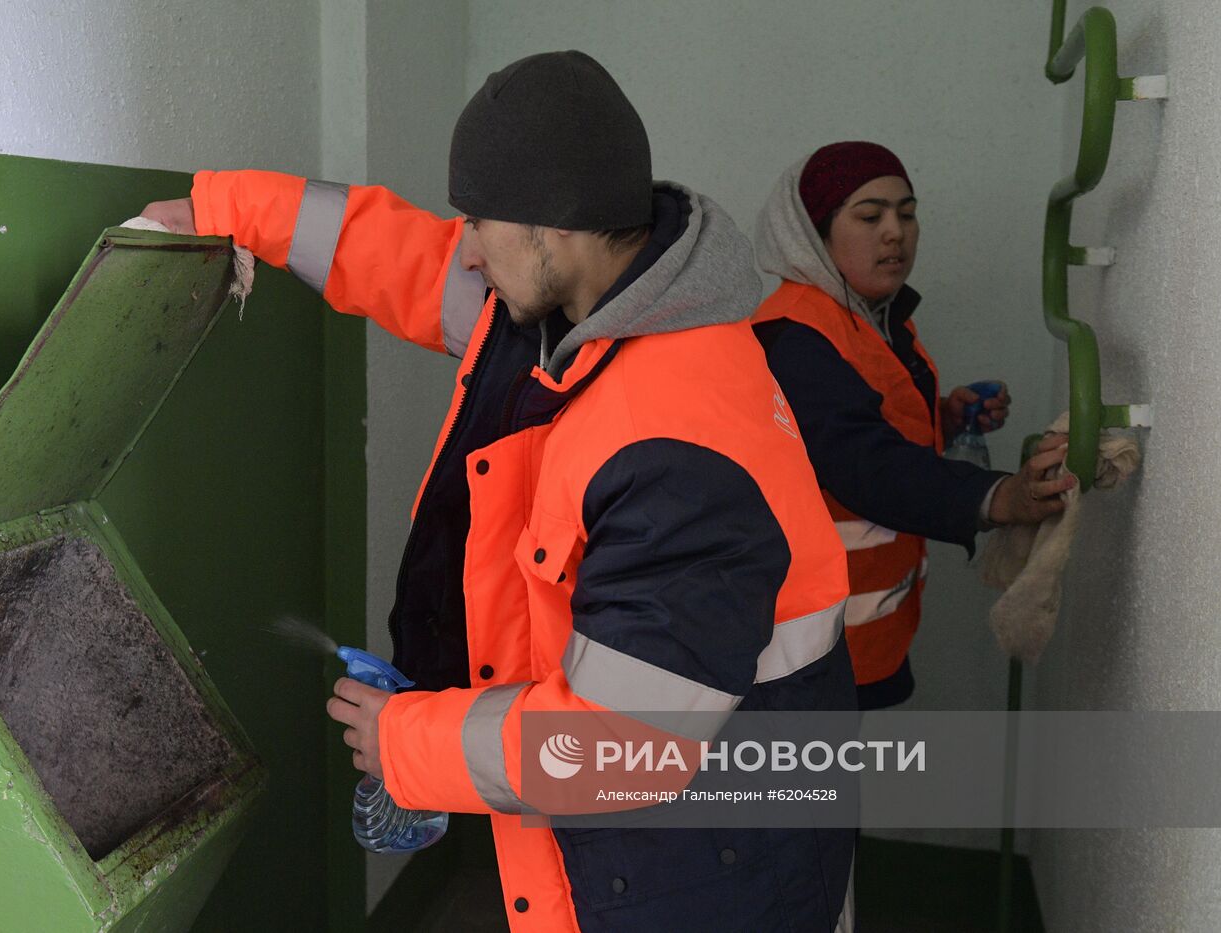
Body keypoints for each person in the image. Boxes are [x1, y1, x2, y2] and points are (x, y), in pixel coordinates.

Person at [146, 51, 855, 931]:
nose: (467, 246)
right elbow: (394, 254)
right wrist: (224, 210)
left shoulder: (679, 444)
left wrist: (407, 743)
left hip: (706, 866)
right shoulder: (575, 298)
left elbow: (619, 746)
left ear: (551, 227)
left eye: (478, 221)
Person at [751, 141, 1073, 710]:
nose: (895, 232)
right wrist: (1000, 496)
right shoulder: (795, 339)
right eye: (870, 216)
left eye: (907, 212)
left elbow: (850, 429)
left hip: (856, 636)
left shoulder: (871, 317)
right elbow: (864, 464)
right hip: (801, 653)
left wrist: (942, 417)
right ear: (814, 233)